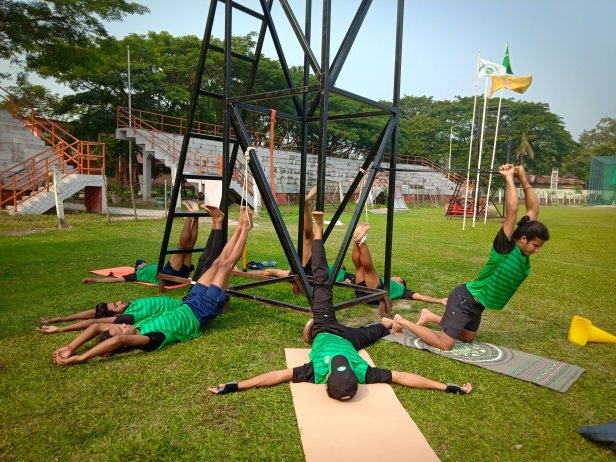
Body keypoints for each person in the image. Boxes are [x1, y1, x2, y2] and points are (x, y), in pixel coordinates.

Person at [207, 211, 472, 400]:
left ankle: (319, 229)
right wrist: (447, 386)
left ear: (327, 378)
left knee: (324, 283)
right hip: (344, 335)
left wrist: (237, 385)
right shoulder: (359, 372)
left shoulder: (321, 371)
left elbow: (275, 375)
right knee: (374, 323)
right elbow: (403, 377)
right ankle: (391, 323)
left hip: (328, 329)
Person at [52, 207, 252, 365]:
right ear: (123, 345)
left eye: (120, 326)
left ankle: (239, 228)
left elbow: (96, 326)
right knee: (226, 266)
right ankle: (246, 228)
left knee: (217, 263)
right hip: (201, 312)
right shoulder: (149, 340)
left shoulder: (138, 326)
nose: (123, 325)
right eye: (121, 329)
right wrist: (81, 357)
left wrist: (70, 347)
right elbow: (118, 340)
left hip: (188, 303)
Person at [392, 164, 550, 351]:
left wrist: (523, 178)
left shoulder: (524, 250)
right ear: (523, 239)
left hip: (477, 305)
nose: (537, 250)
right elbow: (512, 212)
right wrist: (509, 177)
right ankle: (402, 321)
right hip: (464, 299)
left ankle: (429, 316)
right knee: (445, 344)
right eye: (536, 246)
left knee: (467, 338)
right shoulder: (505, 249)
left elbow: (534, 208)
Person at [81, 201, 206, 285]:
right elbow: (117, 279)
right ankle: (190, 215)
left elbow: (118, 279)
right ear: (138, 267)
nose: (142, 264)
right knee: (182, 247)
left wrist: (94, 280)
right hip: (168, 276)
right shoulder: (137, 274)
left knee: (189, 247)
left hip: (179, 275)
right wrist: (94, 280)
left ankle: (195, 215)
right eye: (141, 264)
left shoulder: (143, 271)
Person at [350, 222, 447, 317]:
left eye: (397, 277)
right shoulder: (385, 280)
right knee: (359, 267)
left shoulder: (401, 289)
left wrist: (439, 300)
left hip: (376, 295)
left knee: (368, 270)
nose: (394, 276)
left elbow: (420, 296)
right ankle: (357, 239)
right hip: (361, 293)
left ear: (401, 282)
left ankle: (361, 241)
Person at [36, 296, 183, 334]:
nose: (119, 301)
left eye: (115, 302)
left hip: (181, 300)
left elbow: (93, 313)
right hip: (184, 305)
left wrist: (61, 319)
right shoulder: (129, 316)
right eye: (116, 305)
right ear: (118, 314)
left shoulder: (130, 305)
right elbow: (93, 322)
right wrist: (61, 329)